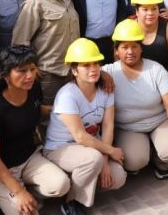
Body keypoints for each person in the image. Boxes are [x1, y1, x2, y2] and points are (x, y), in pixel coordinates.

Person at [0, 45, 70, 215]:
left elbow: (37, 109)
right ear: (5, 75)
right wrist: (19, 191)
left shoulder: (34, 88)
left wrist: (66, 111)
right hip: (2, 170)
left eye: (32, 69)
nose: (29, 76)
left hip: (30, 158)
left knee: (61, 185)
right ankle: (3, 197)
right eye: (22, 71)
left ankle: (28, 195)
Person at [43, 38, 126, 215]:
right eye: (86, 66)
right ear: (74, 71)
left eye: (96, 64)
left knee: (117, 177)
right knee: (92, 159)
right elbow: (80, 136)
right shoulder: (67, 95)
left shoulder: (105, 89)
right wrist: (110, 152)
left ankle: (79, 183)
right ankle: (70, 201)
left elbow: (108, 125)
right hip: (60, 148)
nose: (93, 69)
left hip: (90, 148)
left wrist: (105, 162)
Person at [102, 19, 168, 179]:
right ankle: (144, 151)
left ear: (141, 49)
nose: (130, 51)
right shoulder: (108, 73)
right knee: (134, 161)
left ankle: (161, 162)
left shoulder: (156, 69)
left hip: (158, 121)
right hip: (129, 127)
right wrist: (102, 74)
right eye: (124, 47)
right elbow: (83, 76)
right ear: (116, 51)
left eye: (134, 46)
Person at [12, 0, 79, 113]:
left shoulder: (70, 1)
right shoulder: (37, 2)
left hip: (70, 73)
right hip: (48, 74)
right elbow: (20, 41)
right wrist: (31, 68)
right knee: (46, 120)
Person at [131, 0, 168, 79]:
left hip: (162, 82)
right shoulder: (128, 28)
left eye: (154, 9)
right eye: (145, 9)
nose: (150, 13)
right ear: (137, 11)